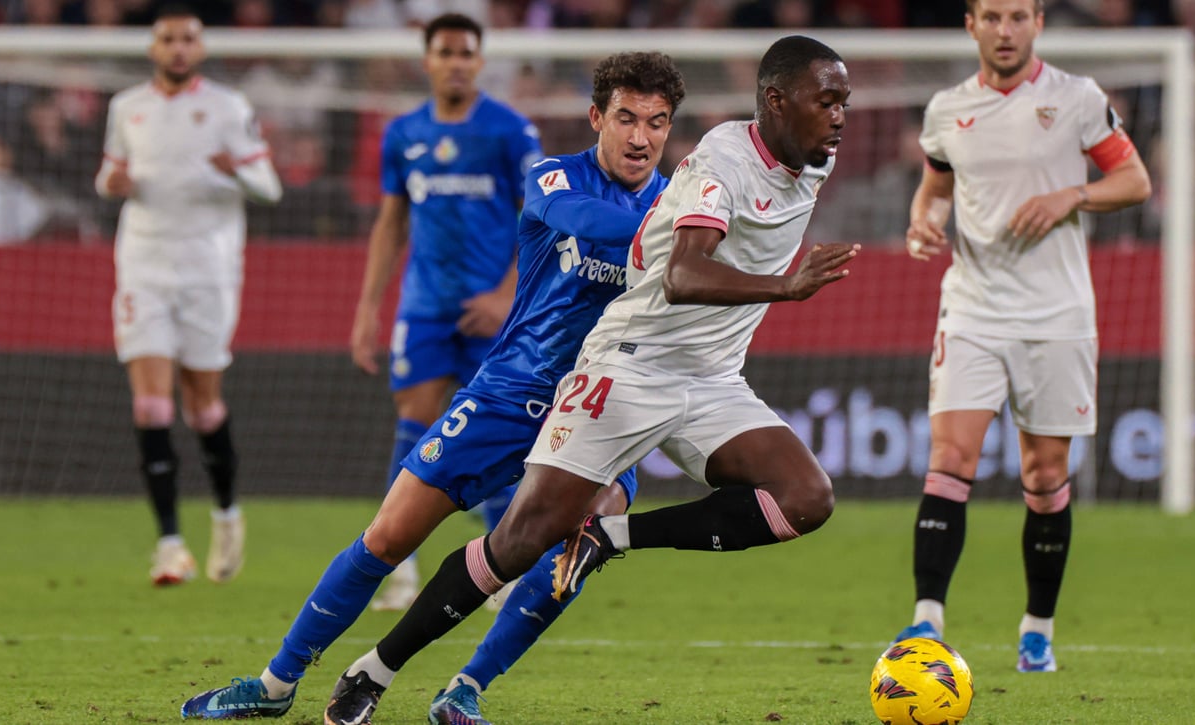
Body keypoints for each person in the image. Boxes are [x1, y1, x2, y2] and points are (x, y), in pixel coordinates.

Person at [320, 35, 857, 725]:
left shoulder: (814, 157)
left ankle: (612, 539)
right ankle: (376, 668)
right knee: (520, 540)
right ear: (777, 102)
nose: (840, 117)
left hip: (712, 379)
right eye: (828, 101)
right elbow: (684, 273)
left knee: (806, 497)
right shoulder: (722, 165)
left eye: (844, 102)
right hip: (631, 364)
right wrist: (786, 286)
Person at [179, 50, 686, 721]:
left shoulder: (676, 200)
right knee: (387, 537)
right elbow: (594, 225)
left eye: (657, 122)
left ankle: (465, 688)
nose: (641, 137)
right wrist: (694, 226)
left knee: (583, 544)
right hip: (508, 394)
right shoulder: (557, 180)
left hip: (598, 413)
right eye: (626, 118)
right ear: (597, 117)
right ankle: (276, 683)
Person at [895, 0, 1151, 672]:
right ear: (970, 25)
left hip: (1058, 313)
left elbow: (1135, 179)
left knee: (1045, 475)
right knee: (950, 458)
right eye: (991, 17)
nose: (1004, 31)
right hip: (974, 306)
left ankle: (1037, 627)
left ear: (1038, 22)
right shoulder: (946, 108)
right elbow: (934, 189)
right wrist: (924, 220)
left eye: (1017, 16)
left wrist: (1075, 195)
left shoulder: (1077, 99)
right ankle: (926, 623)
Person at [348, 12, 544, 611]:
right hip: (426, 308)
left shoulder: (510, 131)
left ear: (480, 61)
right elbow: (390, 223)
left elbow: (540, 219)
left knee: (501, 434)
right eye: (446, 52)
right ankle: (399, 566)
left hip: (495, 313)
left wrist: (505, 294)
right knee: (415, 427)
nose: (456, 62)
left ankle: (499, 564)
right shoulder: (403, 133)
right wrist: (366, 310)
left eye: (466, 52)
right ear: (427, 60)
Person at [93, 4, 282, 587]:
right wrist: (112, 183)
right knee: (150, 405)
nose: (177, 48)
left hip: (209, 268)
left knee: (203, 406)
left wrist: (237, 171)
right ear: (153, 47)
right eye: (168, 39)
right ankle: (171, 544)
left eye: (187, 39)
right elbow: (107, 176)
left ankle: (226, 515)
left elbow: (269, 189)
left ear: (199, 49)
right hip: (143, 266)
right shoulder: (127, 107)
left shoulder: (229, 108)